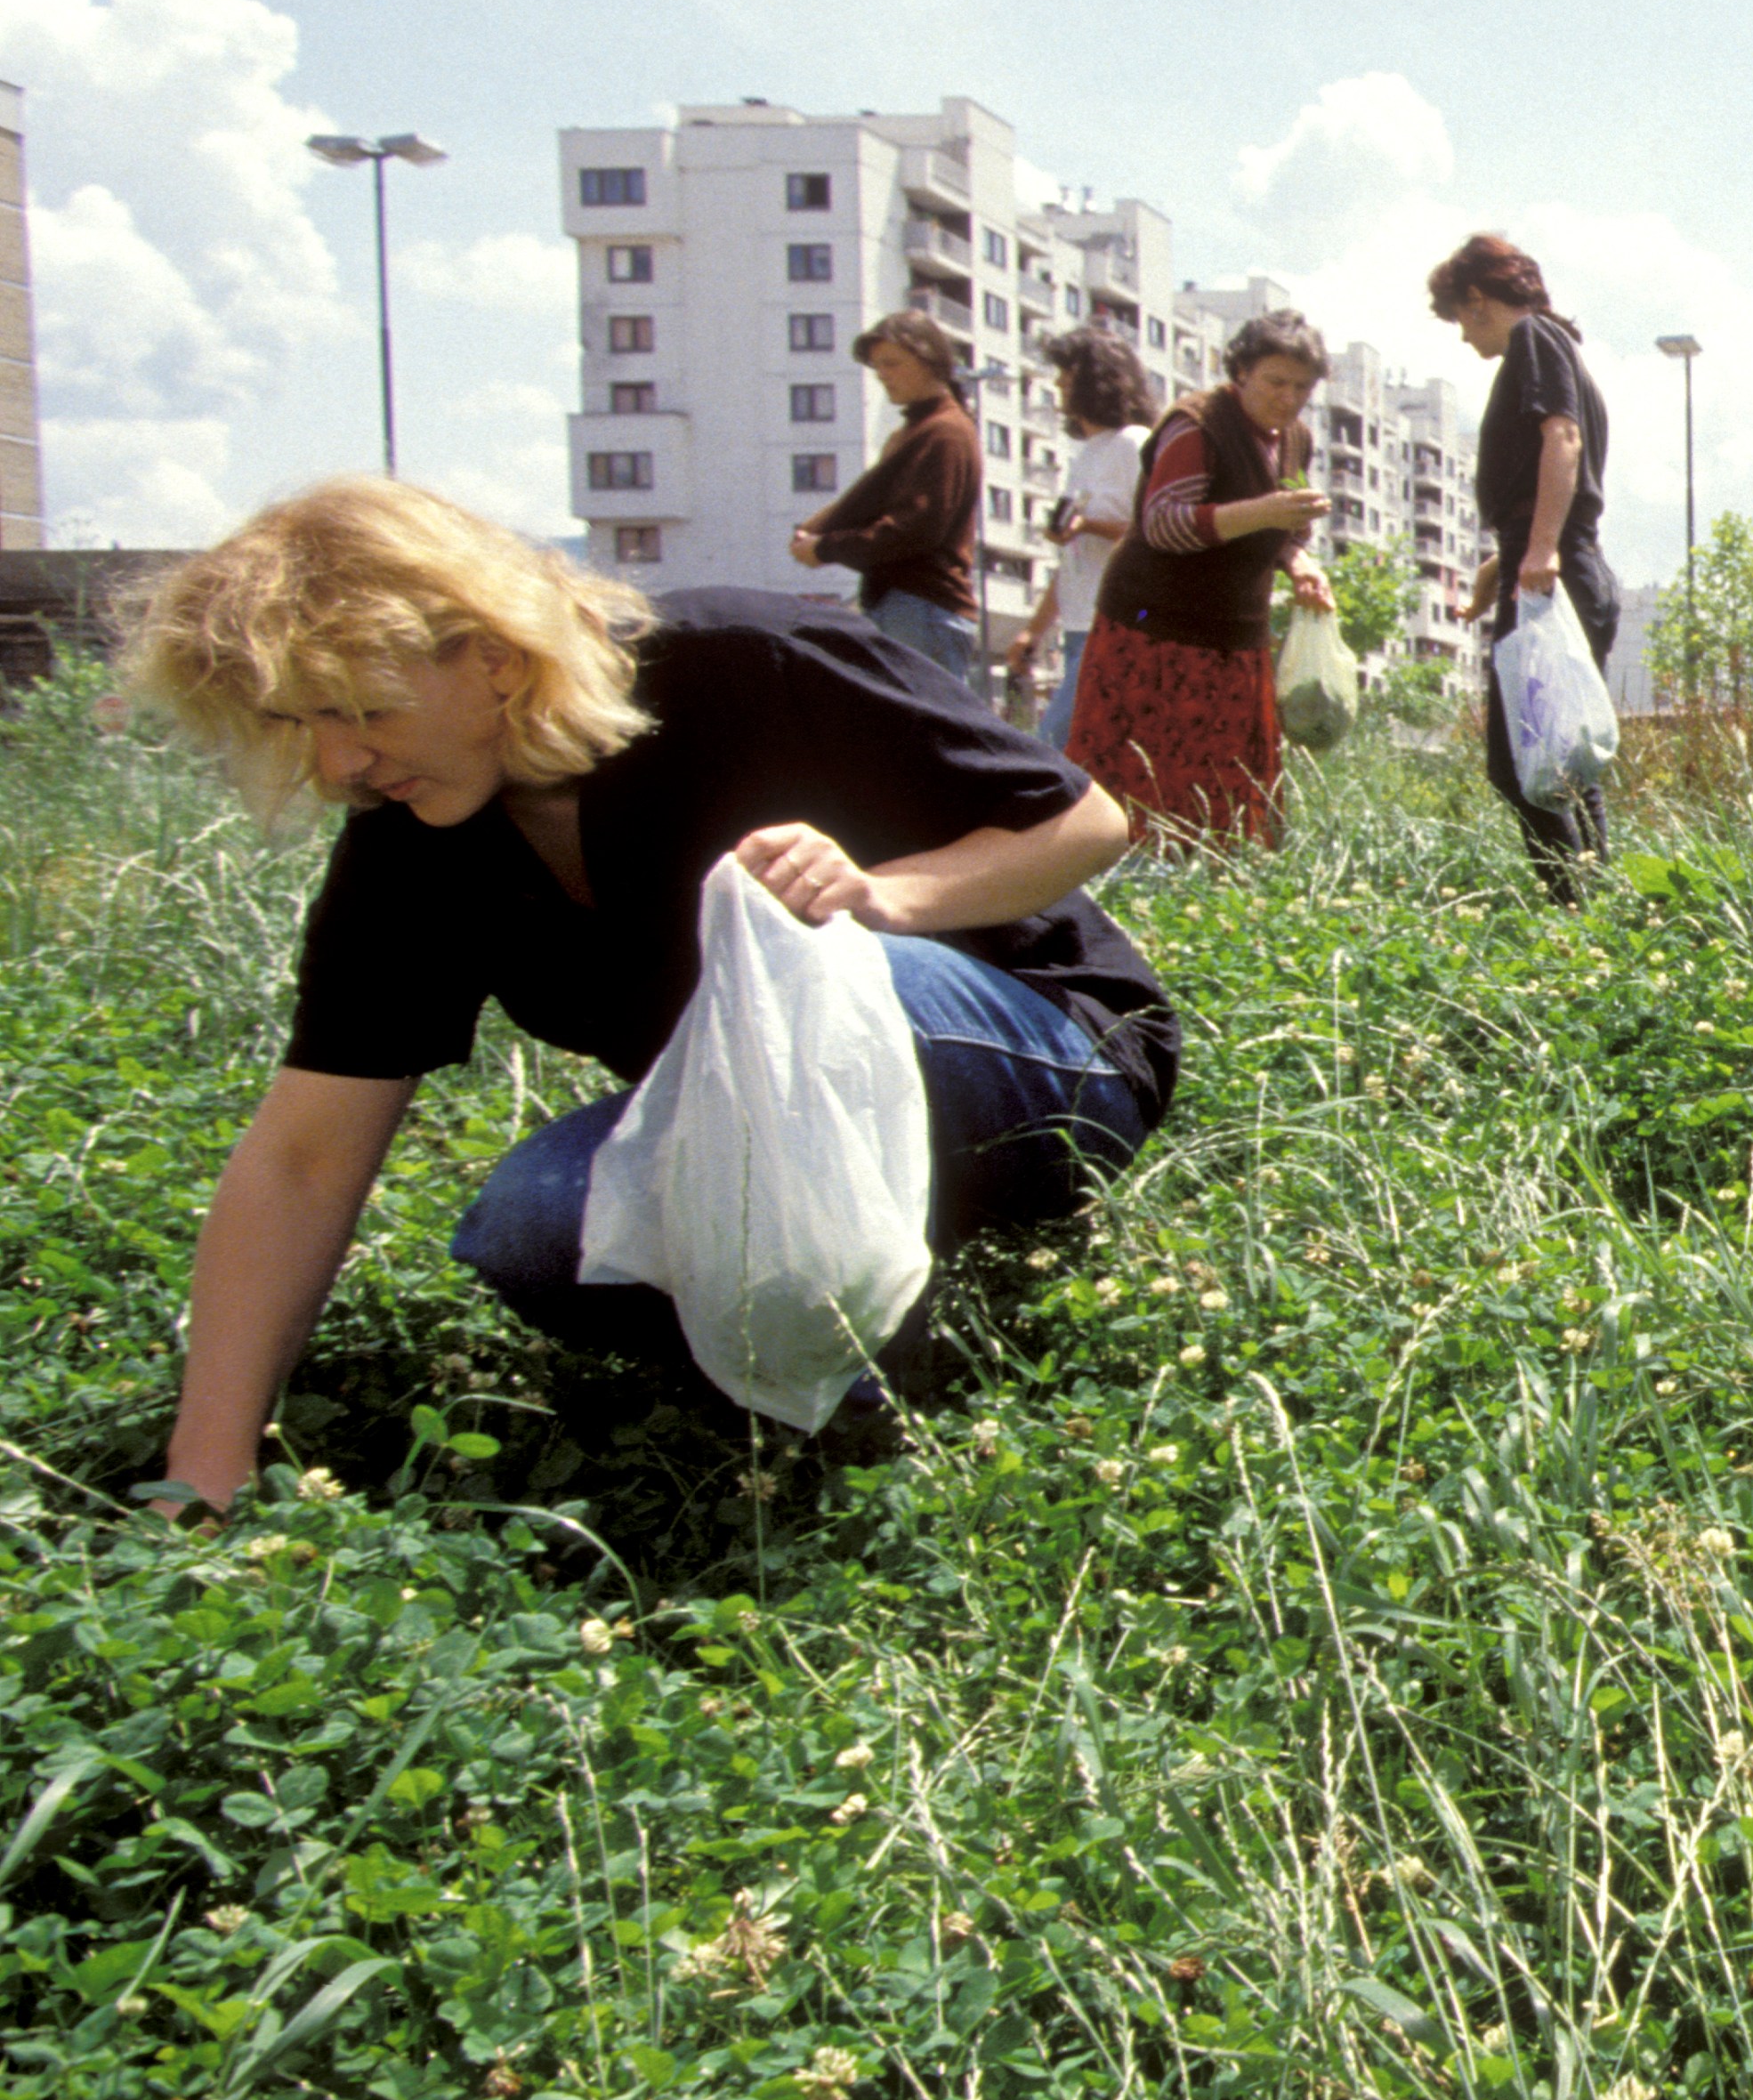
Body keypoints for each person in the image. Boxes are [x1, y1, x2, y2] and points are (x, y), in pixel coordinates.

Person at [123, 477, 1181, 1509]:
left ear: (492, 658)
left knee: (818, 989)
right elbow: (305, 1158)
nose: (338, 762)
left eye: (361, 711)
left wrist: (885, 898)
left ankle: (858, 1405)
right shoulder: (410, 840)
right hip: (760, 1118)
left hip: (1043, 1054)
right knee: (532, 1223)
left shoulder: (741, 659)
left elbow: (1084, 822)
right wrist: (202, 1470)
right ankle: (836, 1330)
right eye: (301, 722)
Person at [1067, 309, 1337, 848]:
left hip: (1234, 632)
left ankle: (1217, 888)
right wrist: (1265, 511)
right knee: (1144, 778)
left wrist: (1299, 562)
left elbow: (1279, 527)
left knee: (1224, 789)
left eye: (1302, 387)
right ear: (1241, 372)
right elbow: (1164, 523)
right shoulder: (1197, 423)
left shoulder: (1294, 439)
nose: (1287, 398)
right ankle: (1127, 884)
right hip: (1153, 628)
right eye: (1275, 382)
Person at [1431, 234, 1624, 901]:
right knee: (1563, 756)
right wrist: (1506, 560)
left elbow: (1561, 438)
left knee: (1518, 764)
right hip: (1562, 562)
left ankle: (1571, 907)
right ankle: (1598, 904)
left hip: (1555, 567)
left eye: (1460, 317)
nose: (1462, 336)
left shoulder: (1535, 340)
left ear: (1478, 300)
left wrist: (1537, 550)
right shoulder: (1558, 350)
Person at [790, 309, 986, 686]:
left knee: (924, 738)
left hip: (921, 607)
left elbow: (913, 529)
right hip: (910, 607)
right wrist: (822, 532)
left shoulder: (943, 432)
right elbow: (877, 502)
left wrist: (826, 547)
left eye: (892, 363)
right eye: (877, 366)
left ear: (929, 360)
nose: (882, 374)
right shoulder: (924, 429)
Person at [1009, 324, 1158, 754]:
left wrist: (1088, 526)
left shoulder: (1134, 444)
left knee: (1055, 745)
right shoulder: (1086, 454)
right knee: (1093, 754)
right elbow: (1074, 561)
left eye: (1067, 374)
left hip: (1116, 625)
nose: (1057, 384)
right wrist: (1034, 632)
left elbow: (1154, 534)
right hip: (1078, 627)